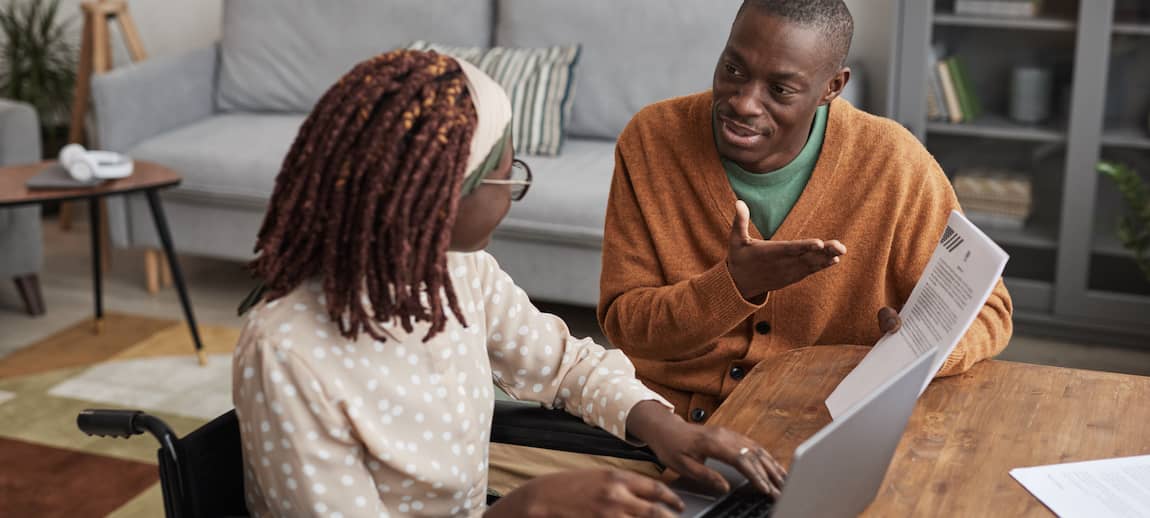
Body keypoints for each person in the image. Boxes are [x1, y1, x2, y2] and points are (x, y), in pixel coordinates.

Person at [232, 49, 785, 517]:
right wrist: (526, 506)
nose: (515, 190)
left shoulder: (456, 272)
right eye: (508, 172)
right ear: (441, 197)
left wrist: (664, 428)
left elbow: (565, 364)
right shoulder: (287, 352)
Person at [598, 0, 1013, 422]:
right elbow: (626, 324)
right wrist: (732, 286)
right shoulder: (652, 140)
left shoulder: (895, 165)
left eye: (779, 90)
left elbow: (989, 310)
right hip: (668, 422)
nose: (744, 103)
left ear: (831, 87)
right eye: (733, 70)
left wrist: (917, 353)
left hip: (816, 425)